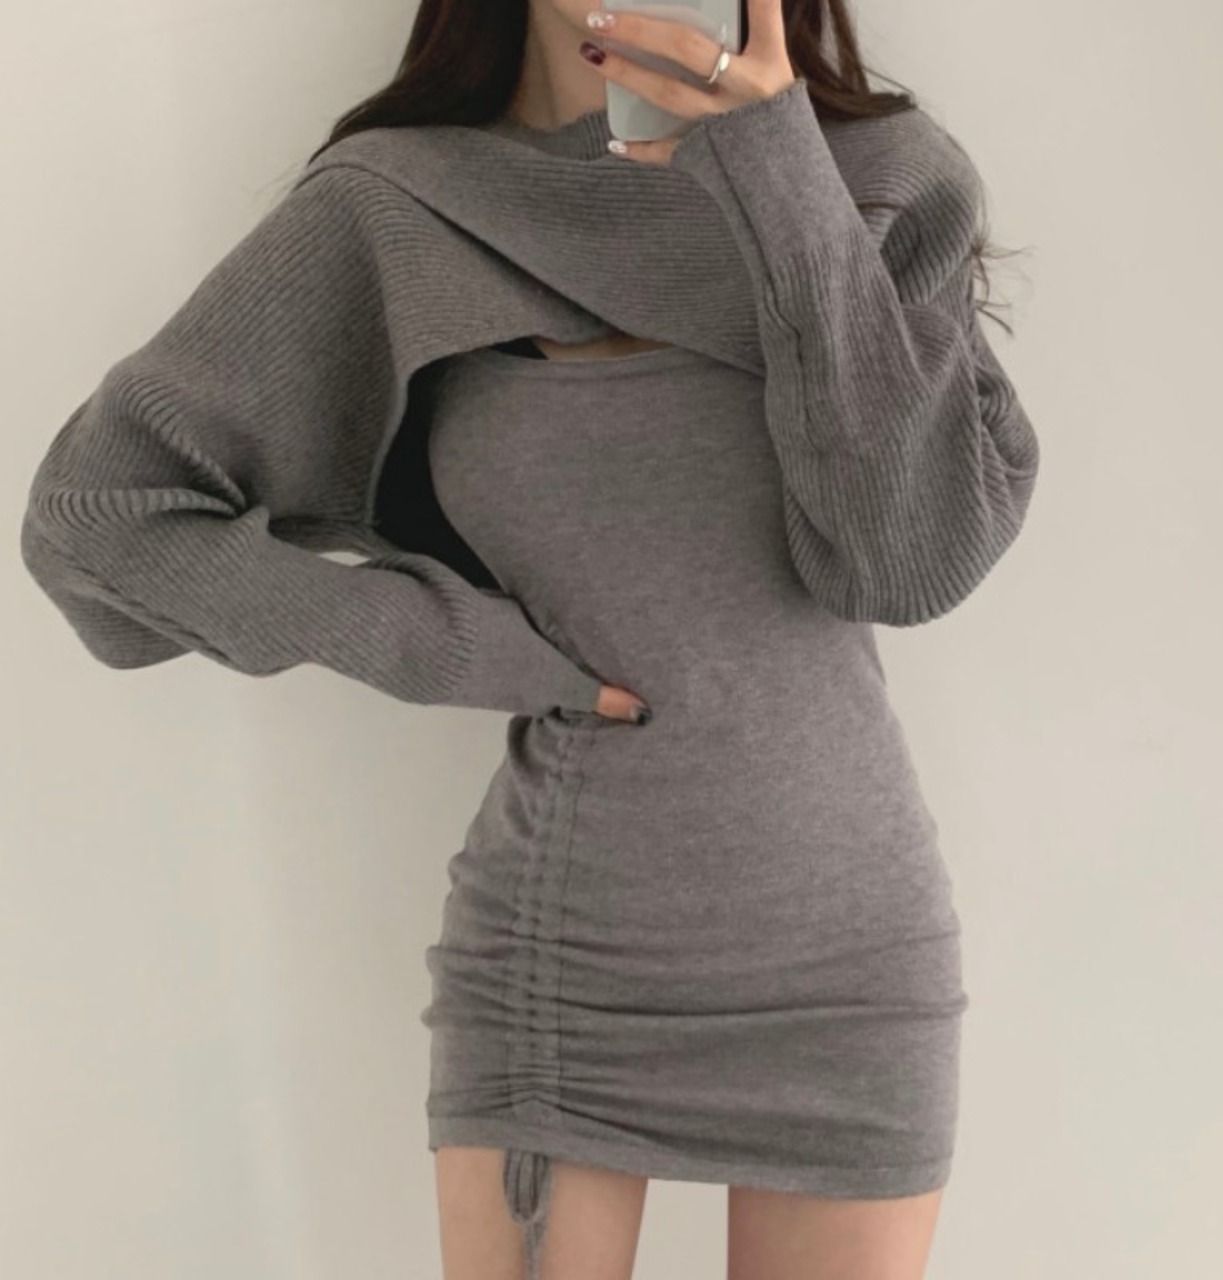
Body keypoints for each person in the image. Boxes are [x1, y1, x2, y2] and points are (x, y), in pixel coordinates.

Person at [19, 2, 1041, 1278]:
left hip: (848, 954)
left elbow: (902, 561)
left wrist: (776, 163)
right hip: (567, 956)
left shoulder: (878, 181)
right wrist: (452, 645)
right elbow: (100, 517)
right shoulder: (404, 207)